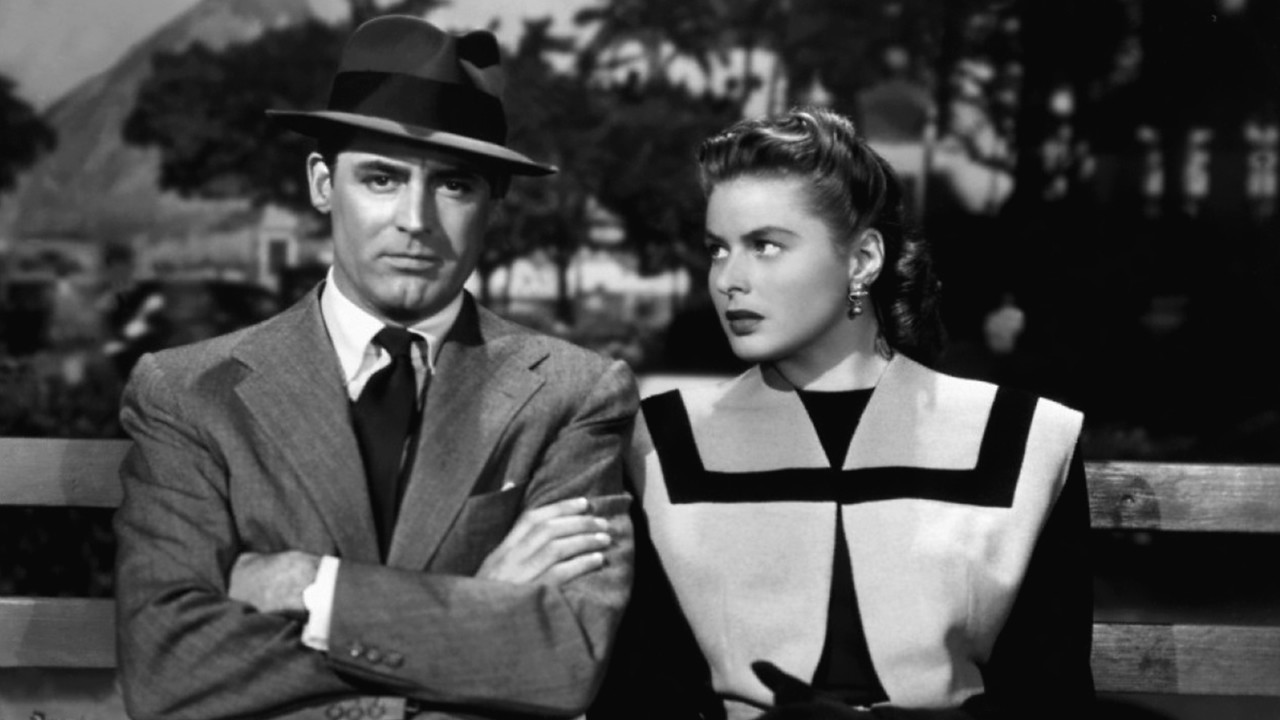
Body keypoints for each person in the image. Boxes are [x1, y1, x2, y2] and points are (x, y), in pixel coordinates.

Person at [114, 15, 638, 720]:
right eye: (382, 178)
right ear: (322, 183)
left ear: (494, 202)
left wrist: (313, 587)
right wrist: (478, 607)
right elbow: (168, 665)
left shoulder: (573, 395)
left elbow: (564, 660)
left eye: (454, 185)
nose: (415, 219)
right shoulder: (187, 393)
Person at [592, 108, 1092, 719]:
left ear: (863, 260)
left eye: (766, 246)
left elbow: (1051, 696)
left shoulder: (1025, 438)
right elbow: (640, 695)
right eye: (718, 250)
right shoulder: (660, 441)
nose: (729, 279)